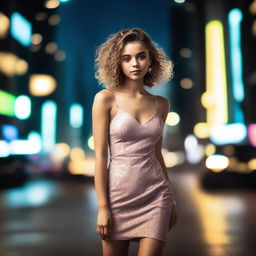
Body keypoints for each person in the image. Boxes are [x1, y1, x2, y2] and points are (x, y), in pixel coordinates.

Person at [92, 27, 178, 256]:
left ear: (151, 59)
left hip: (156, 196)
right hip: (118, 196)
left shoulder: (162, 104)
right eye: (126, 58)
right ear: (117, 63)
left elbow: (157, 154)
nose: (135, 64)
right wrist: (103, 207)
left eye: (141, 56)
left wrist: (172, 200)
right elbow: (100, 156)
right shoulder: (105, 99)